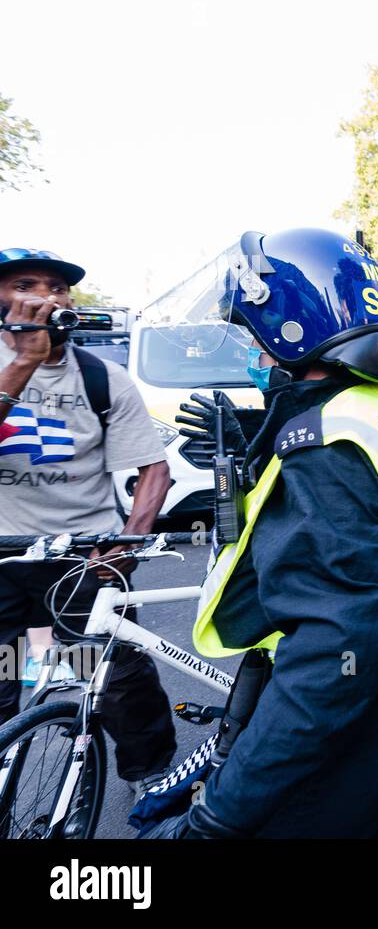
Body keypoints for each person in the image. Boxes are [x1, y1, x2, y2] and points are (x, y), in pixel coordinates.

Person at [153, 228, 378, 837]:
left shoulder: (326, 446)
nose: (255, 355)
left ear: (292, 329)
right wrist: (255, 444)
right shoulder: (373, 403)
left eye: (256, 340)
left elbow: (333, 645)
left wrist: (221, 815)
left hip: (361, 689)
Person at [0, 248, 176, 796]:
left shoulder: (105, 377)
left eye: (57, 287)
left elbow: (155, 468)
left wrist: (125, 545)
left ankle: (150, 773)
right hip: (5, 551)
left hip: (84, 554)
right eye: (26, 284)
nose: (46, 297)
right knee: (2, 675)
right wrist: (23, 363)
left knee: (120, 674)